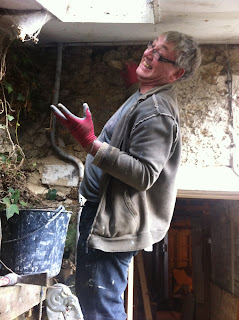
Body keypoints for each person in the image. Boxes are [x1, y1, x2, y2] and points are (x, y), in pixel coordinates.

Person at [51, 31, 201, 320]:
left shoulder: (157, 111)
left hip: (114, 223)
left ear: (176, 73)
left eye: (161, 55)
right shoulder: (145, 96)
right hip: (104, 214)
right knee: (93, 301)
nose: (148, 54)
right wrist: (140, 79)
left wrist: (91, 144)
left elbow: (145, 174)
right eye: (151, 46)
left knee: (101, 308)